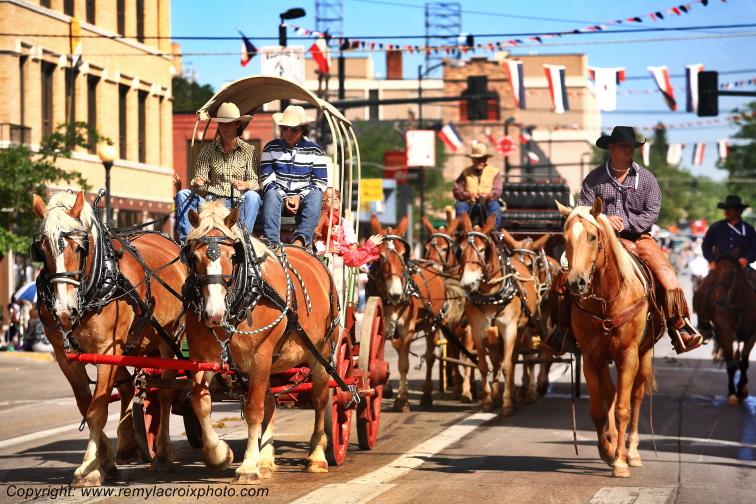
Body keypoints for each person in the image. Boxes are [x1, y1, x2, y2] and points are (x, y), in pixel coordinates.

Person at [550, 126, 702, 354]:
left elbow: (652, 212)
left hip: (639, 237)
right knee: (565, 274)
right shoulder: (594, 178)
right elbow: (583, 210)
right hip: (599, 238)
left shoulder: (647, 179)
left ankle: (678, 325)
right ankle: (562, 328)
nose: (629, 150)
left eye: (631, 147)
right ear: (611, 148)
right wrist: (605, 220)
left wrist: (626, 223)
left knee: (666, 273)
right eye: (623, 146)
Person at [174, 102, 261, 242]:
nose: (223, 126)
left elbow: (255, 183)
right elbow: (199, 182)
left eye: (228, 123)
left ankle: (244, 240)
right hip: (210, 203)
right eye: (221, 123)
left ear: (237, 124)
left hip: (235, 204)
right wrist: (197, 182)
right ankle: (186, 241)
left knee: (253, 197)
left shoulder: (248, 151)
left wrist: (246, 184)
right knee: (183, 194)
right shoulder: (207, 151)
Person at [261, 105, 328, 248]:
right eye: (284, 128)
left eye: (293, 129)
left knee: (316, 194)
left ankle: (301, 240)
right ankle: (272, 243)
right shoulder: (270, 148)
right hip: (277, 198)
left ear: (303, 129)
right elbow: (266, 179)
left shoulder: (315, 150)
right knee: (272, 193)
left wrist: (299, 197)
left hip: (304, 200)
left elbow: (320, 182)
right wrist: (284, 197)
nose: (288, 133)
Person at [694, 195, 756, 338]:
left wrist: (746, 259)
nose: (727, 212)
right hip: (720, 268)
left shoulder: (749, 229)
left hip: (742, 268)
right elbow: (706, 246)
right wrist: (711, 260)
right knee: (701, 289)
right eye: (726, 209)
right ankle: (704, 326)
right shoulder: (716, 227)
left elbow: (755, 248)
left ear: (739, 211)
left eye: (731, 209)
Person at [313, 187, 383, 267]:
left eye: (337, 197)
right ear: (323, 201)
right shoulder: (315, 220)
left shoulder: (345, 224)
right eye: (330, 196)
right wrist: (326, 251)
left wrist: (369, 246)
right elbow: (310, 249)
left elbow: (354, 258)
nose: (335, 199)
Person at [453, 142, 503, 227]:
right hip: (468, 202)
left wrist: (488, 196)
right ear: (472, 159)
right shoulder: (465, 173)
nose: (481, 161)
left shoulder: (494, 172)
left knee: (495, 207)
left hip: (488, 202)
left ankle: (494, 231)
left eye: (483, 159)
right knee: (461, 206)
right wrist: (469, 195)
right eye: (478, 159)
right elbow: (457, 191)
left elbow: (497, 190)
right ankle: (460, 230)